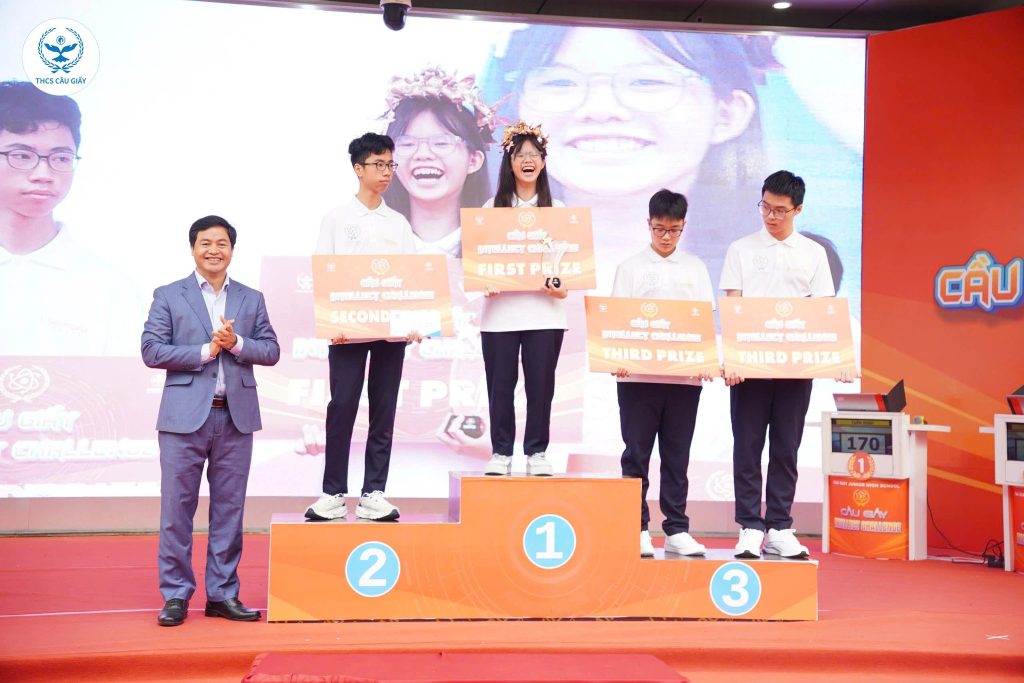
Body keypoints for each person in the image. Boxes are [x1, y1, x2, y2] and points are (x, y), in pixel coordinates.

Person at [482, 26, 770, 289]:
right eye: (559, 82)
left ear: (726, 114)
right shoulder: (482, 255)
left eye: (646, 81)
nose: (600, 109)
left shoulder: (774, 272)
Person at [141, 215, 280, 627]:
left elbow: (271, 350)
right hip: (183, 419)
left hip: (235, 418)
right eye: (206, 243)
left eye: (222, 243)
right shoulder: (169, 295)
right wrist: (206, 350)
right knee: (176, 511)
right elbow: (151, 350)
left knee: (229, 512)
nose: (214, 250)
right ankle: (176, 595)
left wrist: (236, 343)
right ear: (193, 248)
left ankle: (222, 594)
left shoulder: (251, 298)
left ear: (232, 250)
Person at [719, 170, 836, 559]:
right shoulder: (741, 249)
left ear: (798, 210)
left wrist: (833, 359)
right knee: (747, 446)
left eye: (780, 210)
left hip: (795, 368)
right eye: (765, 207)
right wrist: (733, 358)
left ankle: (780, 527)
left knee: (786, 448)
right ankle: (750, 527)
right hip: (750, 367)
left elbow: (823, 312)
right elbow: (732, 307)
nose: (771, 216)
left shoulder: (813, 254)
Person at [304, 133, 419, 523]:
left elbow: (411, 278)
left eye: (390, 165)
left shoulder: (398, 223)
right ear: (358, 168)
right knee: (342, 408)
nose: (386, 172)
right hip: (346, 332)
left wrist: (415, 323)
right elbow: (324, 273)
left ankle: (374, 493)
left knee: (383, 409)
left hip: (390, 333)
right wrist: (331, 322)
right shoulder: (336, 219)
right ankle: (333, 492)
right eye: (378, 164)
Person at [0, 80, 143, 356]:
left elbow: (129, 381)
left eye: (61, 158)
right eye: (22, 155)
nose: (43, 174)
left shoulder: (108, 288)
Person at [610, 189, 715, 558]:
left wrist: (705, 360)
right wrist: (618, 357)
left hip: (683, 380)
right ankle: (636, 527)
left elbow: (704, 320)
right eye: (659, 229)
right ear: (648, 224)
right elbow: (617, 320)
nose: (666, 236)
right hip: (637, 379)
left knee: (676, 455)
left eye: (673, 230)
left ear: (683, 225)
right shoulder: (630, 268)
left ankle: (676, 529)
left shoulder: (695, 268)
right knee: (636, 455)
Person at [478, 122, 567, 477]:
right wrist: (485, 281)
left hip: (545, 314)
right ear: (509, 162)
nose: (527, 161)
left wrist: (559, 285)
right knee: (500, 387)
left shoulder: (559, 210)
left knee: (540, 388)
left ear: (543, 162)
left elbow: (569, 272)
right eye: (520, 155)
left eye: (534, 154)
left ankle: (537, 452)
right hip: (500, 315)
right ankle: (501, 452)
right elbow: (479, 264)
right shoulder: (491, 209)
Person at [383, 66, 495, 257]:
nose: (423, 154)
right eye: (407, 144)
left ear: (474, 160)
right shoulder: (365, 249)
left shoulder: (504, 251)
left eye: (442, 143)